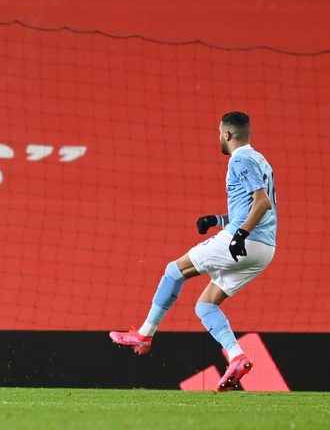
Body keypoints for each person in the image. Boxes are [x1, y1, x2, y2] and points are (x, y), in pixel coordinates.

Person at [109, 111, 277, 392]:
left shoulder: (240, 159)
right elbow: (250, 206)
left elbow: (262, 204)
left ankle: (145, 335)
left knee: (174, 271)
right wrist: (218, 220)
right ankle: (237, 357)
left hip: (246, 242)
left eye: (218, 134)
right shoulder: (261, 160)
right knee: (206, 305)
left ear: (226, 134)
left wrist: (239, 235)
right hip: (265, 248)